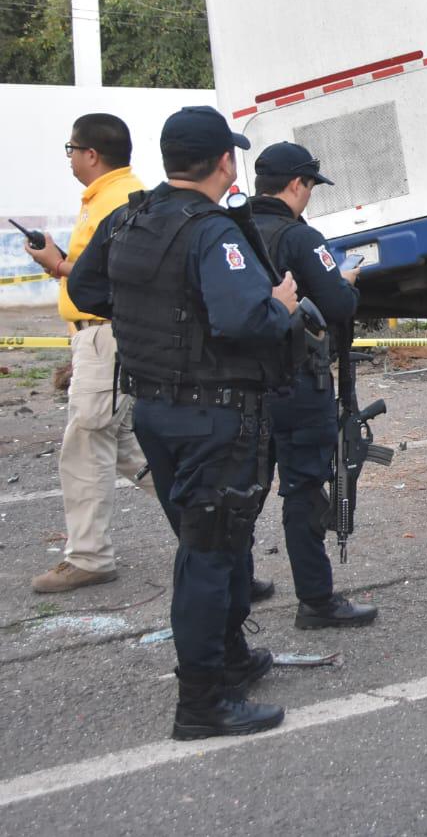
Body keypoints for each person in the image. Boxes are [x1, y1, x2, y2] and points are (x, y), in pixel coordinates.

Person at [68, 106, 299, 740]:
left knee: (216, 548)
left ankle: (229, 659)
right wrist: (279, 305)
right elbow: (243, 321)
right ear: (225, 162)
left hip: (155, 411)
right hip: (213, 415)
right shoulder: (212, 233)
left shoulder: (129, 215)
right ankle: (202, 704)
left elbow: (87, 290)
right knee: (208, 554)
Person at [248, 142, 377, 630]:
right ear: (297, 185)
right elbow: (338, 307)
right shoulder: (302, 239)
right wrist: (344, 282)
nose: (309, 199)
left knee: (246, 491)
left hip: (242, 387)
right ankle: (317, 602)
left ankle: (239, 584)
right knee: (303, 492)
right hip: (297, 386)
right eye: (309, 188)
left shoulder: (228, 232)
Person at [23, 114, 147, 593]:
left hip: (104, 334)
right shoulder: (115, 195)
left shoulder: (113, 200)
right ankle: (204, 519)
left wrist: (55, 263)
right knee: (126, 447)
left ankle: (90, 557)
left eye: (71, 149)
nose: (70, 157)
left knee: (85, 444)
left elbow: (109, 273)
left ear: (91, 154)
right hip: (101, 336)